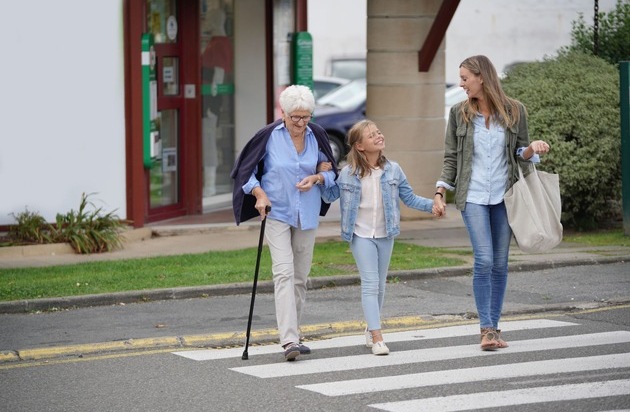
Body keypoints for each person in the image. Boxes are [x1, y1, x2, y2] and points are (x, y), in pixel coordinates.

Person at [433, 55, 550, 350]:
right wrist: (440, 190)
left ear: (481, 77)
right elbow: (451, 156)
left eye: (464, 78)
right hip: (472, 197)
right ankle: (485, 328)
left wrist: (532, 149)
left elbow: (520, 150)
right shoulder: (459, 113)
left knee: (500, 264)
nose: (461, 84)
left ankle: (494, 329)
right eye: (460, 79)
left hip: (504, 196)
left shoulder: (514, 111)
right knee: (484, 259)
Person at [231, 85, 338, 361]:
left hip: (308, 213)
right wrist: (259, 193)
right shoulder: (267, 137)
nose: (301, 123)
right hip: (276, 212)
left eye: (306, 117)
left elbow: (332, 174)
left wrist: (318, 178)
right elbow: (246, 173)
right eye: (295, 118)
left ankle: (296, 333)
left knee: (300, 278)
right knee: (283, 273)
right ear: (283, 113)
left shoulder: (318, 136)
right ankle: (289, 340)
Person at [321, 119, 435, 355]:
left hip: (386, 233)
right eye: (371, 135)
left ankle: (370, 327)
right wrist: (321, 177)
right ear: (360, 146)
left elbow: (410, 198)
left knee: (380, 286)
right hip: (360, 234)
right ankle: (377, 337)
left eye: (379, 132)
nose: (378, 136)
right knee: (370, 283)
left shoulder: (393, 169)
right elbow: (329, 196)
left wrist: (433, 205)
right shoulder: (347, 173)